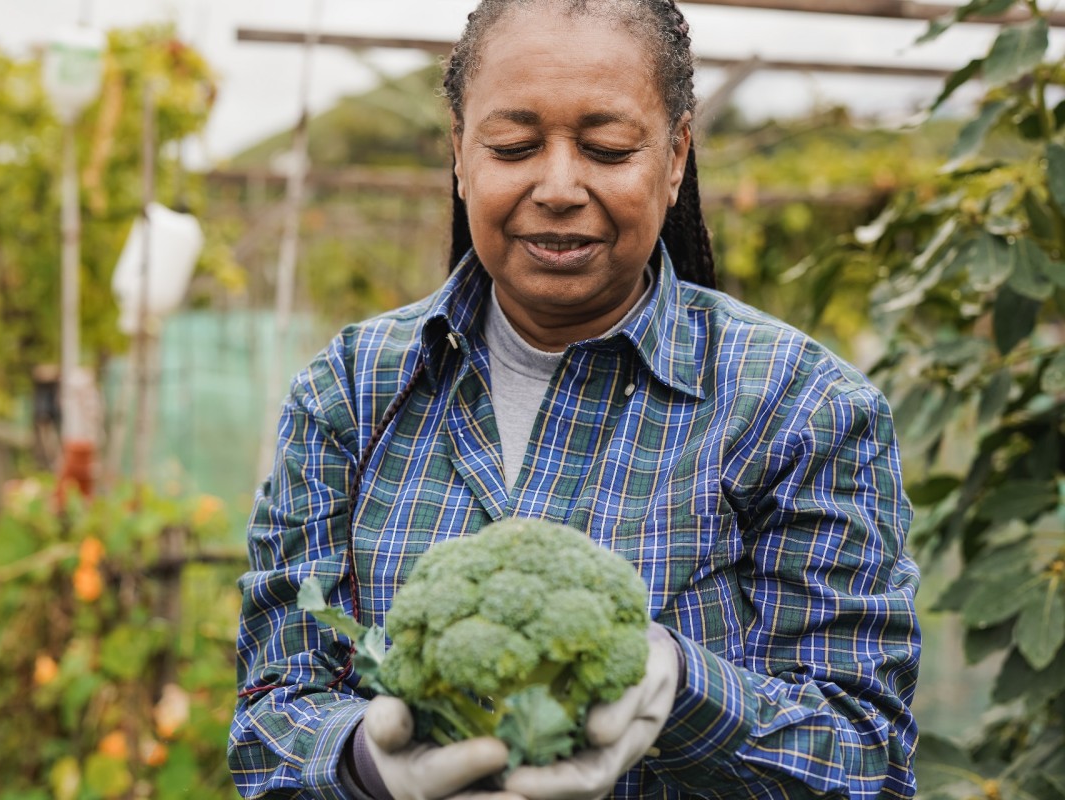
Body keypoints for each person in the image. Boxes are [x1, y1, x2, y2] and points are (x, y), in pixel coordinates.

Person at [229, 0, 921, 798]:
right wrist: (362, 763)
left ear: (675, 157)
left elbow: (865, 754)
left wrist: (682, 689)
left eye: (609, 147)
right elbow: (269, 715)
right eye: (514, 146)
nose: (558, 186)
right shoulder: (348, 395)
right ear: (459, 152)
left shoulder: (804, 409)